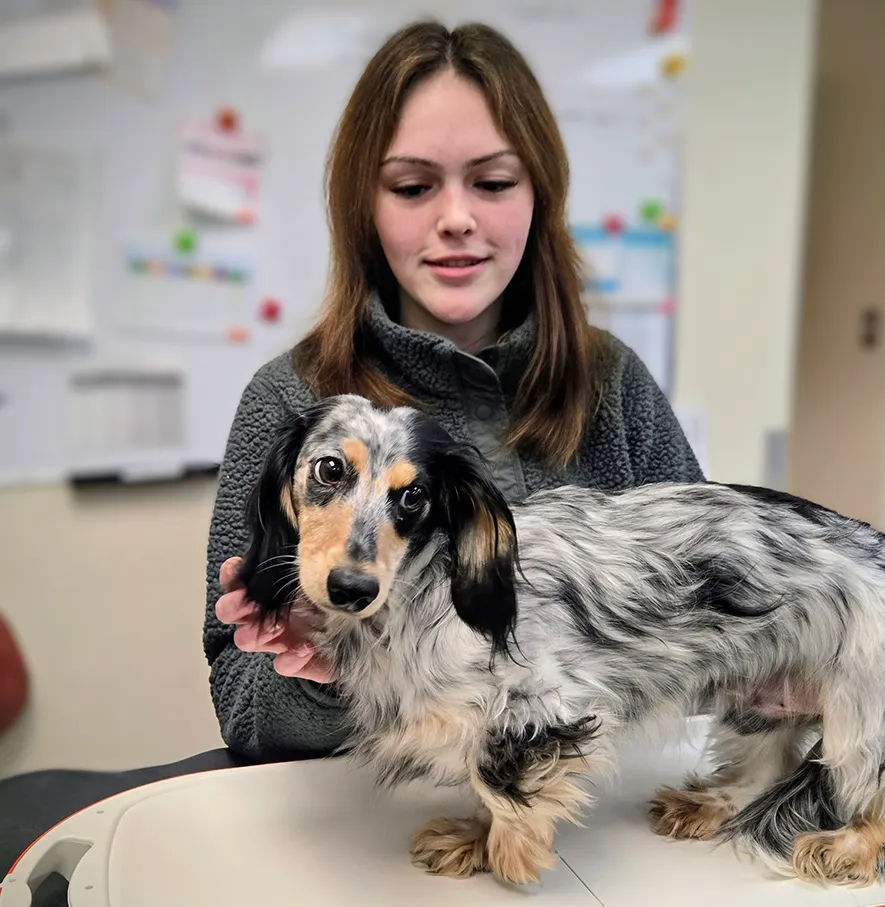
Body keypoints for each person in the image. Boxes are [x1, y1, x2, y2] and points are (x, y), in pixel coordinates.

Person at [205, 20, 705, 762]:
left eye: (494, 183)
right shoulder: (290, 400)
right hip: (366, 816)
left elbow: (707, 622)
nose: (457, 219)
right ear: (364, 206)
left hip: (588, 803)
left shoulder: (614, 383)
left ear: (540, 195)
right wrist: (328, 666)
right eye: (413, 187)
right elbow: (243, 704)